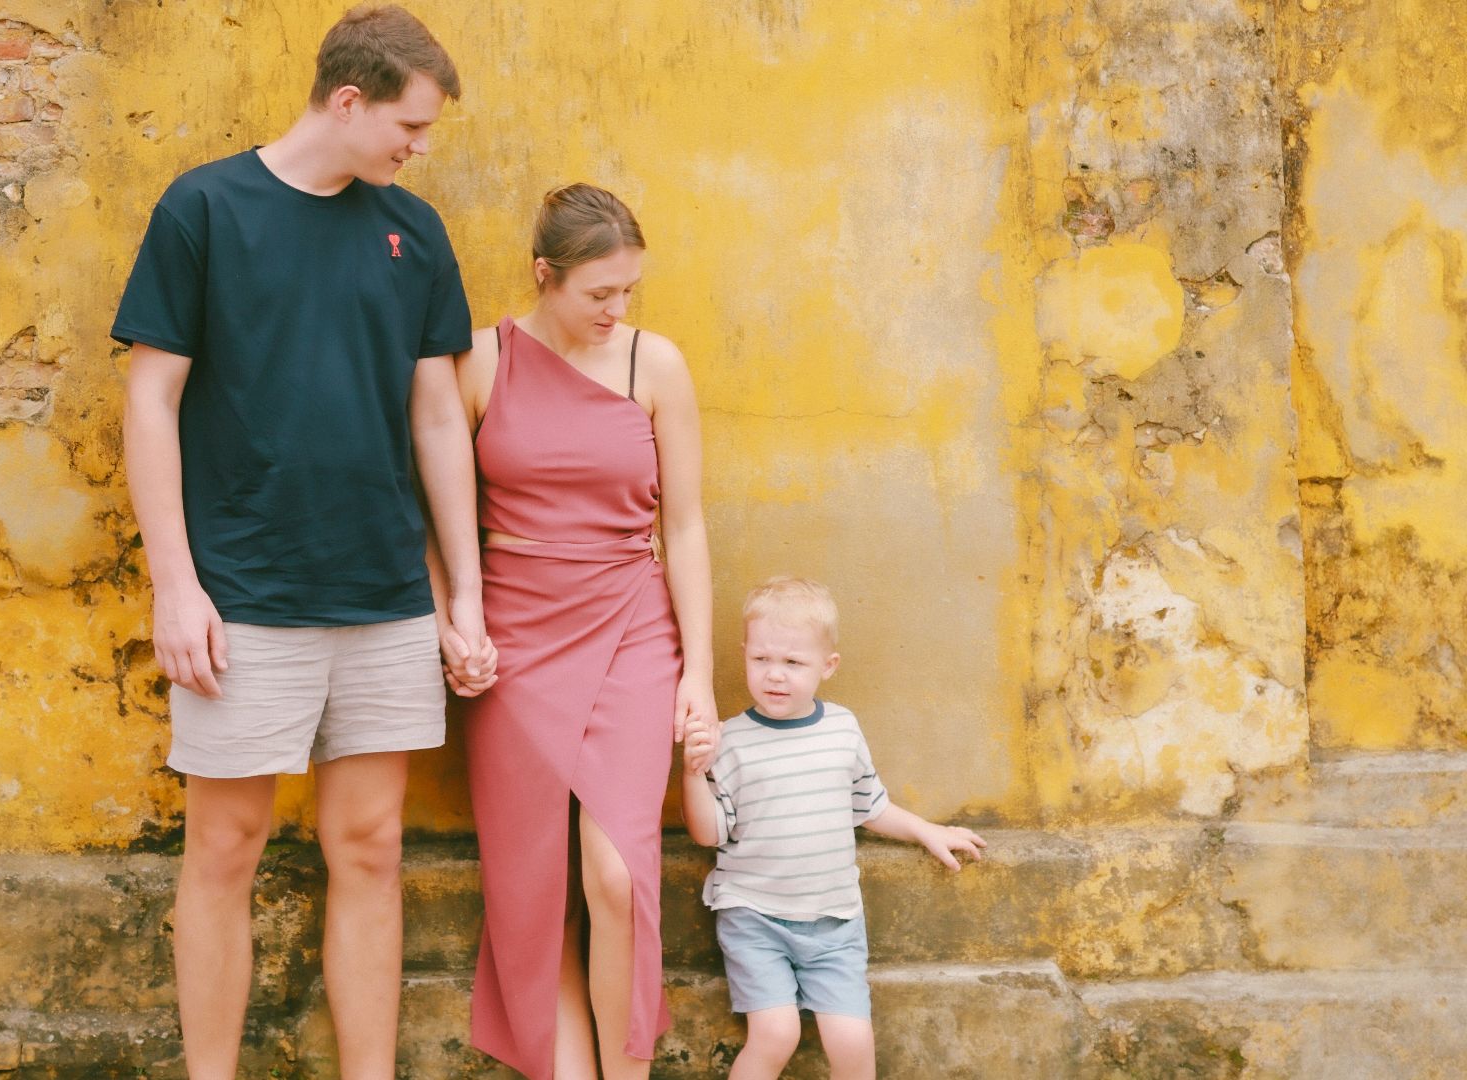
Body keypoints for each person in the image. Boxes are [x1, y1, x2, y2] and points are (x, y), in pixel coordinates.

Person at [111, 7, 492, 1078]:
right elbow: (150, 404)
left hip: (381, 593)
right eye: (409, 127)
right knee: (224, 849)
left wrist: (463, 597)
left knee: (369, 850)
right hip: (243, 596)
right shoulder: (205, 208)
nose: (419, 148)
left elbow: (437, 421)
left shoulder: (413, 232)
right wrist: (175, 588)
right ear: (348, 101)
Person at [446, 184, 715, 1079]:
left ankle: (625, 1069)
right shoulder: (480, 362)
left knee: (615, 873)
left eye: (629, 290)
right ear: (544, 276)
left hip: (631, 627)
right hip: (515, 644)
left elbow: (684, 527)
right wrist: (461, 620)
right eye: (599, 292)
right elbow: (436, 515)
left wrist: (699, 675)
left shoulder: (654, 367)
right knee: (529, 885)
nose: (617, 309)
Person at [680, 577, 987, 1080]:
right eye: (761, 660)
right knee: (777, 1034)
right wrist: (693, 773)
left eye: (793, 663)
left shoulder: (842, 729)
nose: (775, 675)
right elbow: (709, 834)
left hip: (835, 924)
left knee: (852, 1042)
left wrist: (927, 830)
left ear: (828, 666)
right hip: (754, 918)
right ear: (744, 655)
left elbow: (869, 806)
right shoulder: (729, 741)